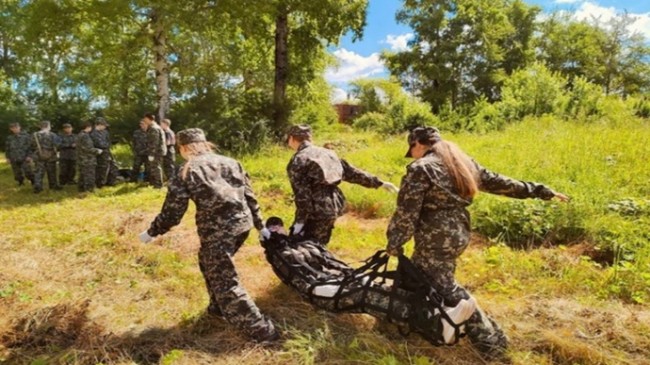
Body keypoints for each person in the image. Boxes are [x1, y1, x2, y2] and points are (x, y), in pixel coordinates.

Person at [385, 126, 570, 359]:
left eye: (411, 149)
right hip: (458, 231)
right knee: (416, 275)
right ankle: (396, 324)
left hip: (436, 236)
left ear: (418, 144)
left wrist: (395, 241)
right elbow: (501, 183)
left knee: (443, 285)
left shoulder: (421, 168)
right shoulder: (461, 163)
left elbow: (406, 212)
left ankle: (491, 340)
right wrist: (540, 191)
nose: (412, 155)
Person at [138, 128, 278, 343]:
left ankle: (261, 331)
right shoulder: (231, 162)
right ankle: (218, 309)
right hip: (242, 226)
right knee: (207, 262)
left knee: (225, 281)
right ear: (205, 143)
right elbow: (249, 195)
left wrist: (152, 231)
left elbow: (173, 212)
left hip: (217, 232)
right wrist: (260, 226)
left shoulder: (186, 170)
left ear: (183, 147)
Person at [286, 124, 398, 246]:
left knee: (304, 251)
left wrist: (299, 223)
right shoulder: (328, 153)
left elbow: (303, 195)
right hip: (332, 208)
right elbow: (352, 173)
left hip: (314, 212)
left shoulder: (299, 159)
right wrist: (379, 183)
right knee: (319, 248)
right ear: (310, 138)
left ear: (291, 138)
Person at [30, 120, 62, 193]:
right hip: (51, 156)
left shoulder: (35, 135)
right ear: (48, 126)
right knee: (52, 171)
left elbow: (31, 145)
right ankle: (53, 186)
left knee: (38, 172)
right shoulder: (52, 135)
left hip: (39, 156)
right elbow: (58, 144)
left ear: (40, 126)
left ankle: (38, 186)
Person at [5, 122, 34, 186]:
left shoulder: (26, 136)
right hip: (14, 157)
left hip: (24, 157)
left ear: (19, 127)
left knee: (28, 171)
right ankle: (20, 182)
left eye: (16, 127)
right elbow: (7, 148)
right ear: (11, 129)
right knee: (17, 173)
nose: (15, 129)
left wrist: (30, 156)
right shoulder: (9, 138)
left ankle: (33, 180)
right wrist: (7, 158)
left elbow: (31, 147)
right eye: (13, 128)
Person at [90, 118, 117, 188]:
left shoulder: (105, 132)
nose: (105, 127)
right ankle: (100, 183)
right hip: (100, 152)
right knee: (102, 168)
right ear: (99, 125)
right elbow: (99, 144)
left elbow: (108, 141)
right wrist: (107, 145)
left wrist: (109, 144)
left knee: (112, 166)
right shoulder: (93, 134)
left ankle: (111, 181)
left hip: (107, 151)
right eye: (104, 125)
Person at [76, 121, 102, 192]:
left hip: (81, 158)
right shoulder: (85, 136)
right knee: (89, 174)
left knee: (82, 174)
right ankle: (89, 189)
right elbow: (88, 148)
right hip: (88, 159)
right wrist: (97, 151)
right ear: (88, 127)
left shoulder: (79, 135)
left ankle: (81, 188)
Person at [142, 113, 166, 188]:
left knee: (156, 168)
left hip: (156, 152)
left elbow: (154, 142)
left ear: (149, 119)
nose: (144, 121)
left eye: (145, 119)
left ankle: (158, 184)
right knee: (154, 167)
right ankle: (154, 183)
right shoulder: (154, 127)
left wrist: (151, 153)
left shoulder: (154, 128)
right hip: (157, 151)